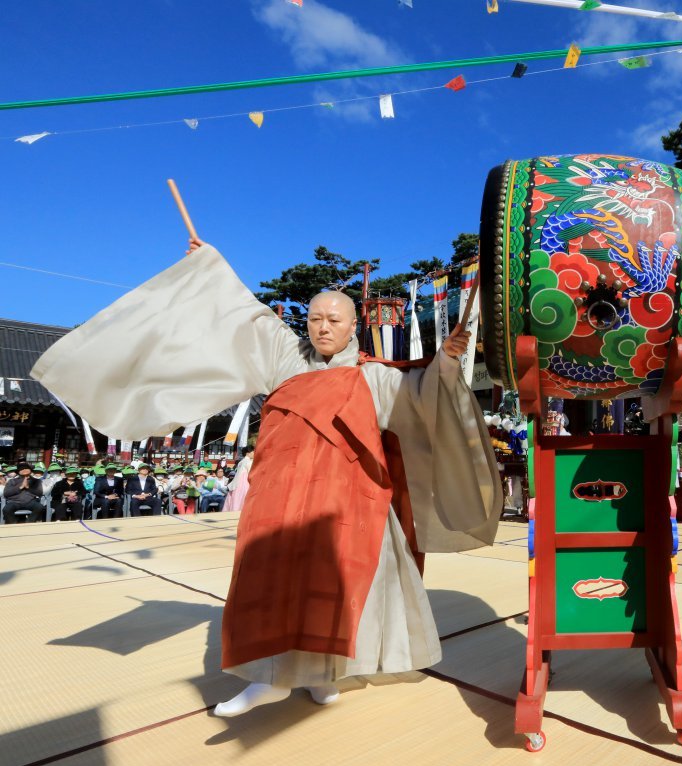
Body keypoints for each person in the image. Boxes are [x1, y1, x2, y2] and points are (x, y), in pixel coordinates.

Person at [32, 237, 500, 718]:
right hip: (278, 493)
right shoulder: (285, 359)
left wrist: (445, 360)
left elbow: (420, 395)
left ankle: (323, 674)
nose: (322, 327)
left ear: (353, 326)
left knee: (335, 588)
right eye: (315, 318)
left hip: (346, 501)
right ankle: (269, 677)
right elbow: (245, 316)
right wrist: (209, 269)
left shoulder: (372, 377)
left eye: (334, 320)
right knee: (267, 578)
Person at [223, 445, 254, 513]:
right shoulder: (249, 462)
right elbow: (251, 474)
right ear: (247, 453)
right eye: (252, 452)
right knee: (244, 501)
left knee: (236, 501)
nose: (254, 453)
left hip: (237, 484)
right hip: (245, 484)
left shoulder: (241, 462)